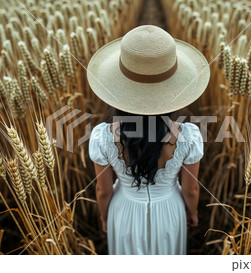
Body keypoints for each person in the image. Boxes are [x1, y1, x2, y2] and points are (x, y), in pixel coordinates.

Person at [86, 25, 210, 254]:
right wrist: (192, 213)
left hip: (124, 212)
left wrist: (105, 217)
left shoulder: (102, 136)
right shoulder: (189, 136)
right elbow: (191, 190)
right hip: (169, 212)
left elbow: (103, 192)